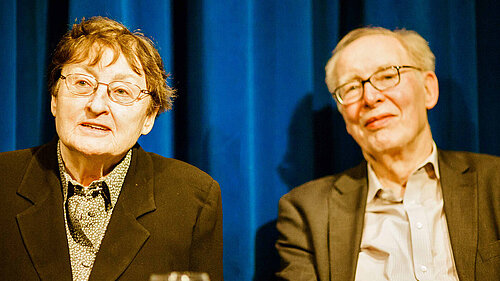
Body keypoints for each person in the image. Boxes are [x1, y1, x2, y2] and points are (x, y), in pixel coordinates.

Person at [0, 17, 223, 281]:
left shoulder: (193, 198)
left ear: (149, 117)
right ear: (54, 100)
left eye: (121, 91)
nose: (97, 105)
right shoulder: (4, 179)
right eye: (82, 83)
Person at [276, 27, 499, 281]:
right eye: (350, 88)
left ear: (428, 89)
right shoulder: (308, 213)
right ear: (345, 119)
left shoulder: (494, 185)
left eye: (386, 76)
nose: (370, 97)